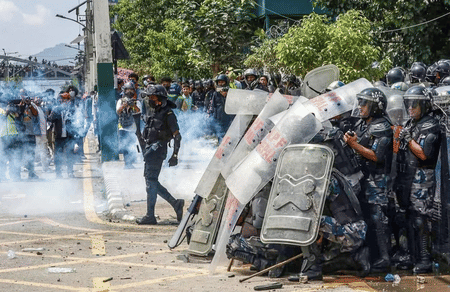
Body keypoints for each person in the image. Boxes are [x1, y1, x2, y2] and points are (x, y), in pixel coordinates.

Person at [343, 87, 393, 272]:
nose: (361, 106)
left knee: (378, 218)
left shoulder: (382, 126)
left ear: (375, 107)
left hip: (377, 180)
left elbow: (376, 155)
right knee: (368, 217)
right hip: (364, 178)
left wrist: (354, 144)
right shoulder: (366, 124)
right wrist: (354, 139)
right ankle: (373, 255)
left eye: (365, 103)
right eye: (360, 102)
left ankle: (384, 257)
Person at [395, 86, 441, 273]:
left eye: (414, 104)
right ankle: (410, 255)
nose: (410, 108)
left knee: (421, 219)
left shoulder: (430, 125)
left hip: (422, 177)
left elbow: (424, 154)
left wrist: (407, 138)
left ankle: (424, 259)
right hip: (407, 176)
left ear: (424, 105)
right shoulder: (411, 124)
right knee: (407, 217)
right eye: (408, 104)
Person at [136, 85, 184, 225]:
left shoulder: (168, 114)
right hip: (150, 151)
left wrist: (175, 155)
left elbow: (177, 136)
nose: (150, 99)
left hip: (158, 151)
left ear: (160, 99)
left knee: (151, 181)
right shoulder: (154, 112)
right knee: (151, 181)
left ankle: (151, 215)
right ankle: (175, 203)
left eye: (153, 97)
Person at [116, 82, 142, 169]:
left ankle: (130, 162)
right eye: (128, 90)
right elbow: (118, 111)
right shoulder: (120, 101)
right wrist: (124, 105)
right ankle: (127, 163)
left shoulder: (137, 102)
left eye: (131, 90)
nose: (129, 91)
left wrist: (133, 105)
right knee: (124, 145)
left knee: (131, 145)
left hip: (132, 127)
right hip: (122, 127)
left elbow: (139, 111)